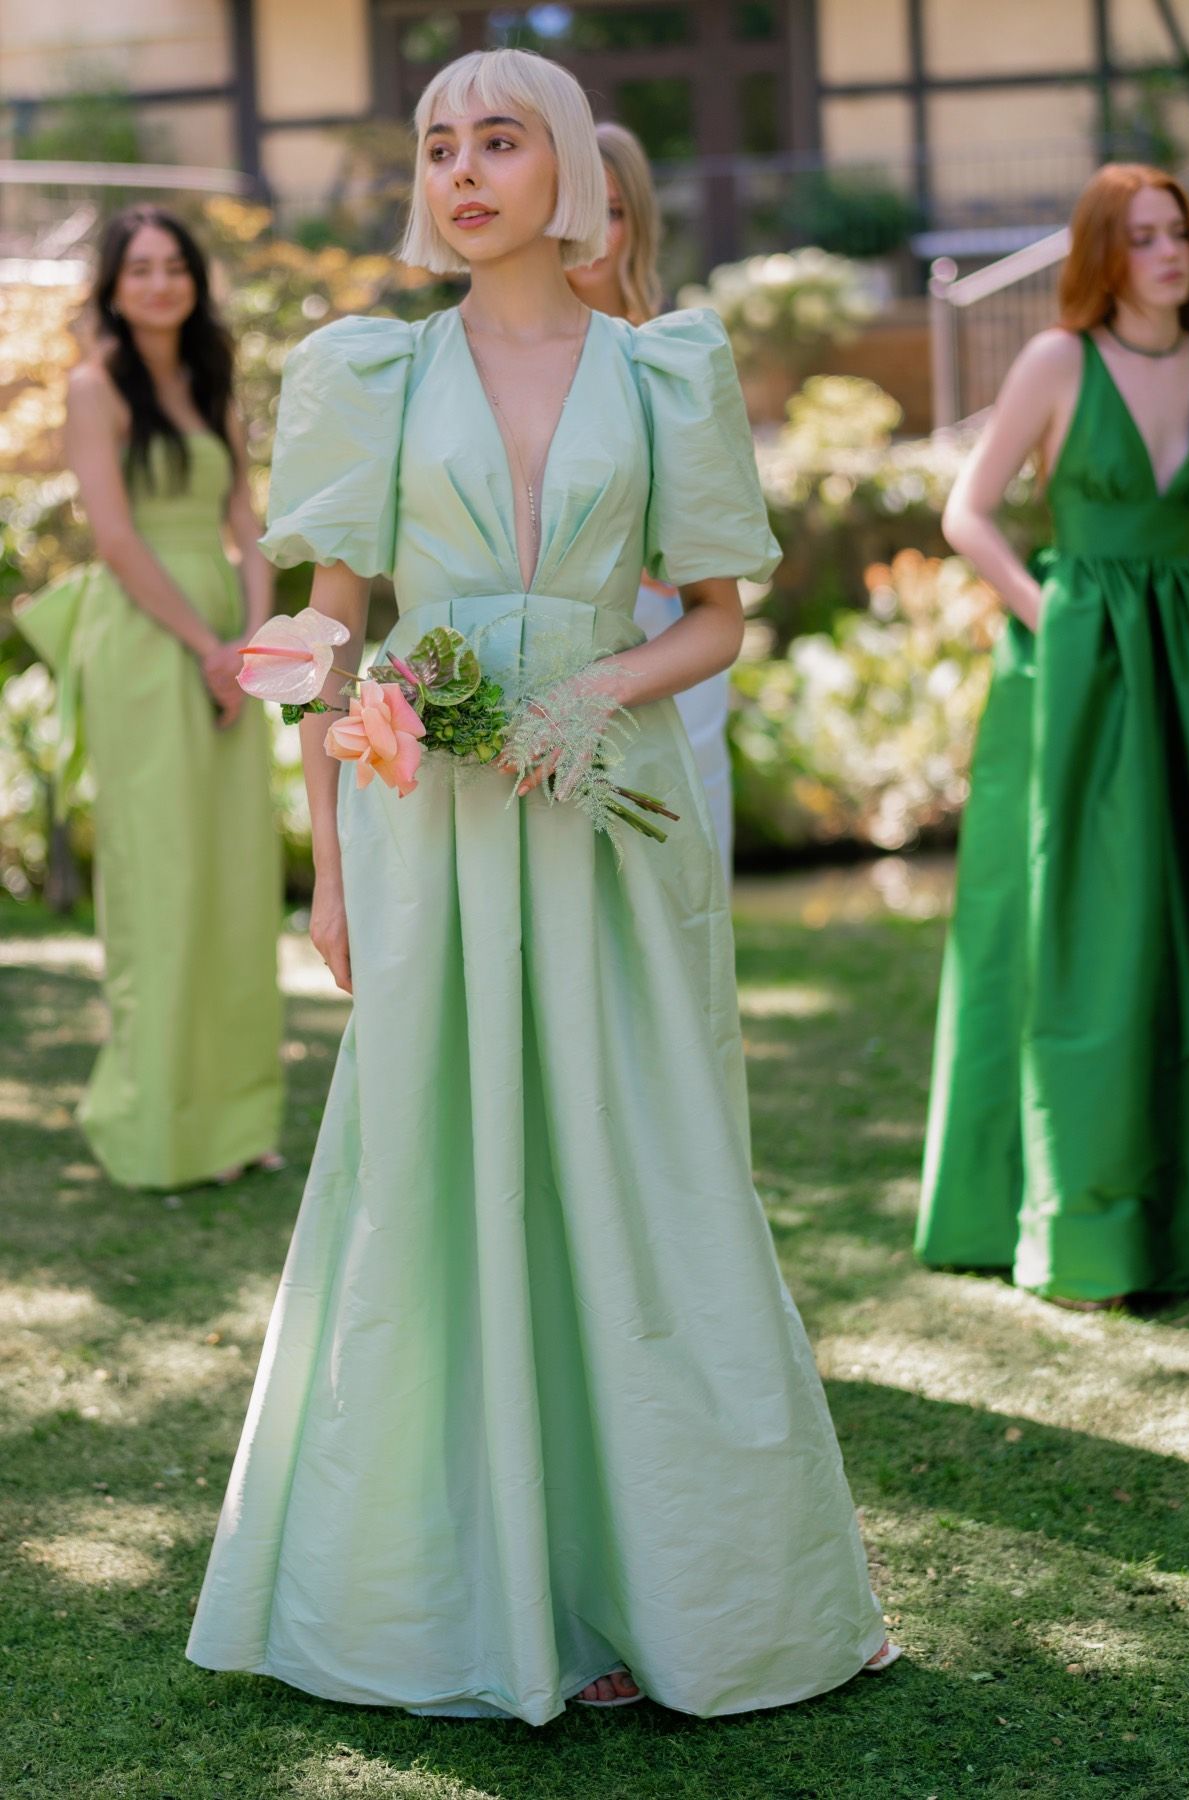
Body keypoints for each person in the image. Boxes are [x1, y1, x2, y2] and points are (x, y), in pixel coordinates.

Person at [186, 49, 894, 1722]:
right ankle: (437, 1592)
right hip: (427, 822)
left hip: (606, 813)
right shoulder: (370, 370)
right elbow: (335, 619)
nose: (461, 171)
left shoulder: (662, 373)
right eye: (438, 144)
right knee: (433, 1168)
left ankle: (683, 1590)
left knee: (642, 1160)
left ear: (566, 164)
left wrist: (590, 697)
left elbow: (716, 617)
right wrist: (313, 784)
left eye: (498, 140)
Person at [916, 163, 1189, 1309]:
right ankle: (1082, 1213)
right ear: (1102, 255)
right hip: (1079, 665)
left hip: (1184, 658)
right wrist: (1056, 619)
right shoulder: (1058, 361)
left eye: (1178, 232)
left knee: (1183, 913)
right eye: (1143, 237)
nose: (1169, 253)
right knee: (1081, 920)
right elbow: (968, 512)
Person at [15, 207, 284, 1190]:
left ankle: (237, 1119)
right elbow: (117, 538)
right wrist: (207, 645)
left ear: (195, 282)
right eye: (141, 270)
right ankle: (160, 1125)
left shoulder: (210, 380)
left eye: (176, 267)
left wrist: (254, 640)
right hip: (146, 636)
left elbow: (246, 520)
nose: (161, 284)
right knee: (162, 880)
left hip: (228, 644)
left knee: (235, 876)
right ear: (114, 287)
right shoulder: (96, 388)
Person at [568, 120, 737, 878]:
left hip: (667, 624)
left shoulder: (672, 354)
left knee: (680, 839)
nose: (592, 236)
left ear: (637, 221)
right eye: (576, 211)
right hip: (561, 627)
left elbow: (718, 518)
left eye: (611, 212)